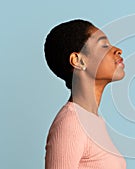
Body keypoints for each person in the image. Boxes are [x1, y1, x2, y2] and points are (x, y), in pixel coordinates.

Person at [44, 19, 126, 169]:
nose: (118, 50)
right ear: (78, 61)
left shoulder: (92, 121)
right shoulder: (71, 124)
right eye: (104, 45)